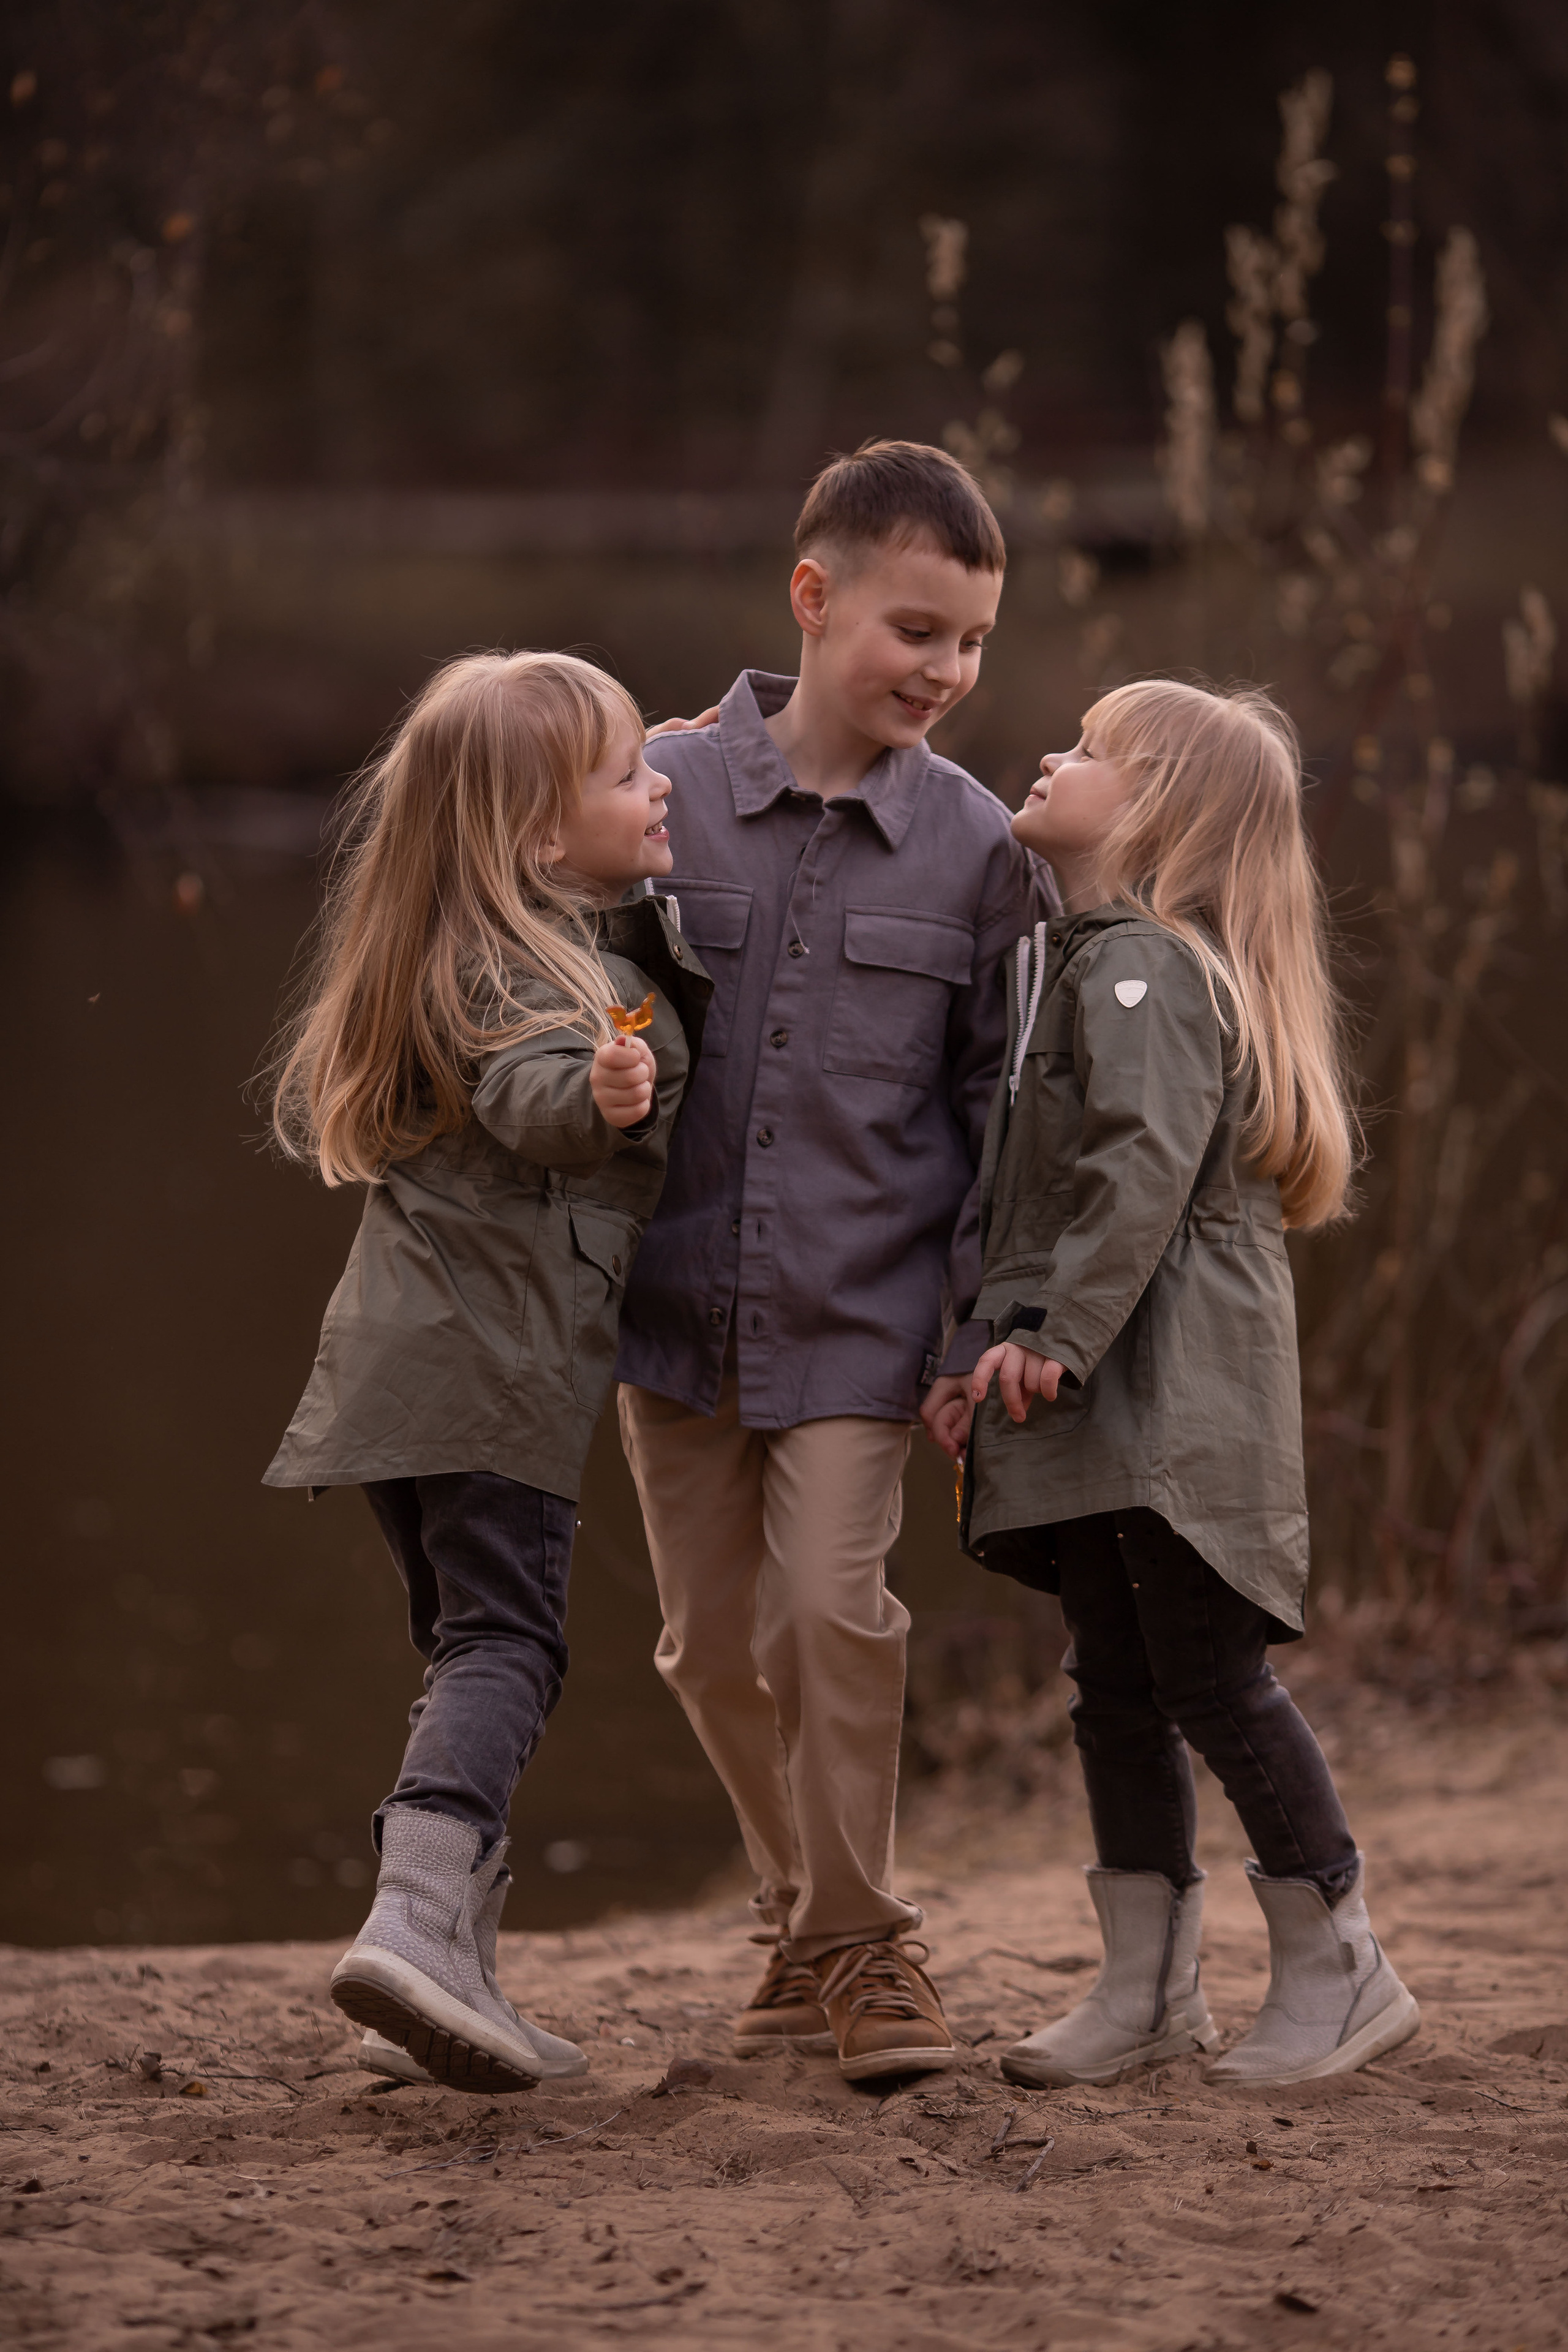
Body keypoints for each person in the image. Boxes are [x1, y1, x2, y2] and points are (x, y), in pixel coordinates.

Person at [615, 440, 1055, 2081]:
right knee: (707, 1648)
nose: (945, 670)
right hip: (672, 1312)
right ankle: (798, 1922)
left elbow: (995, 1111)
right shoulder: (654, 792)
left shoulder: (978, 850)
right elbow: (551, 975)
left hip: (862, 1319)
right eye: (915, 630)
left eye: (972, 642)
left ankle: (865, 1949)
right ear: (813, 597)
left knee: (828, 1615)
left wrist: (968, 1328)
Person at [933, 677, 1419, 2089]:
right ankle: (1145, 1992)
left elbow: (1135, 1171)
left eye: (1089, 750)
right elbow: (1047, 1201)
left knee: (1207, 1676)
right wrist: (987, 1342)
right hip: (1106, 1392)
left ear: (1155, 811)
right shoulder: (1089, 961)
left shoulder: (1142, 966)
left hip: (1167, 1396)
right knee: (1112, 1685)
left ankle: (1342, 1968)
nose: (1050, 754)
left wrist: (1052, 1334)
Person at [263, 650, 710, 2093]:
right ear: (535, 837)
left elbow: (566, 946)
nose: (658, 787)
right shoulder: (544, 983)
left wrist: (639, 777)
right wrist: (602, 1090)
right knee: (508, 1648)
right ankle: (411, 1922)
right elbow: (536, 1094)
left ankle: (447, 1969)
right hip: (490, 1378)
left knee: (463, 1651)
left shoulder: (465, 946)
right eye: (628, 775)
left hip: (393, 1382)